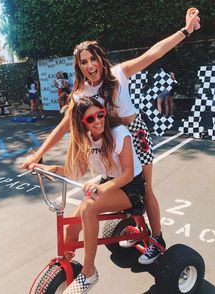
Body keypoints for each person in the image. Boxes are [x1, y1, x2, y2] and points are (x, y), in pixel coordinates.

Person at [21, 8, 200, 265]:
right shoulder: (81, 93)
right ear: (79, 67)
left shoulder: (118, 74)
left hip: (135, 134)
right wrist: (38, 155)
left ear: (100, 58)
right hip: (110, 139)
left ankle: (157, 238)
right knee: (111, 183)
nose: (90, 65)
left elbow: (153, 53)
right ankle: (123, 230)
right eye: (83, 62)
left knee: (146, 189)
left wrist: (185, 30)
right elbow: (64, 126)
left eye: (92, 59)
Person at [30, 97, 145, 293]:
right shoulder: (87, 139)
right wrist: (49, 168)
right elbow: (77, 170)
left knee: (89, 208)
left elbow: (126, 174)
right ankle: (65, 270)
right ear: (83, 123)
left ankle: (89, 272)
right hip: (108, 182)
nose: (98, 121)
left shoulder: (119, 133)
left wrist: (101, 189)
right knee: (71, 229)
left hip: (130, 186)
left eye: (100, 114)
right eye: (90, 119)